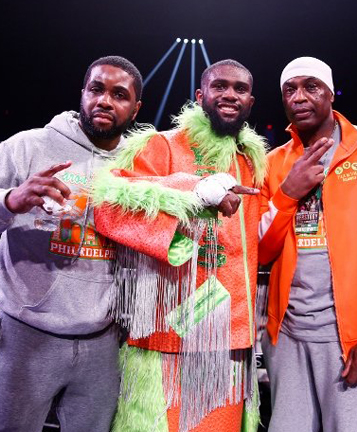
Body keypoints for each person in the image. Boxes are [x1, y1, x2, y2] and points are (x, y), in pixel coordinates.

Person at [0, 55, 144, 432]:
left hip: (103, 342)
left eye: (119, 94)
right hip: (26, 332)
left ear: (135, 109)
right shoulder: (27, 146)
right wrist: (8, 202)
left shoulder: (140, 163)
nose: (104, 101)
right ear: (82, 93)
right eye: (96, 89)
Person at [93, 59, 267, 432]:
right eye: (220, 86)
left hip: (231, 341)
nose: (229, 94)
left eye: (239, 88)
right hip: (167, 337)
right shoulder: (162, 144)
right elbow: (108, 207)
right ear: (201, 95)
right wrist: (193, 191)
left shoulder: (252, 163)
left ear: (251, 101)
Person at [258, 56, 357, 432]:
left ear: (331, 93)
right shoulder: (273, 163)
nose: (299, 96)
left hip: (352, 339)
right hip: (287, 336)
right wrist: (286, 196)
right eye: (289, 89)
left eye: (310, 86)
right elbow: (261, 252)